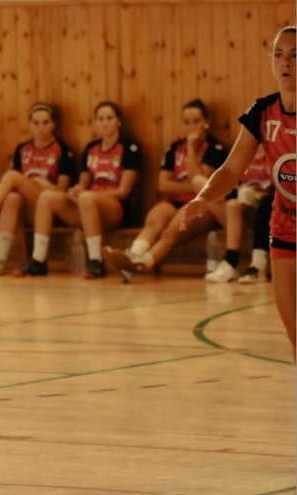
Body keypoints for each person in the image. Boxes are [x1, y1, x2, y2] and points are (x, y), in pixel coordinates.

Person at [182, 26, 296, 357]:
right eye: (279, 55)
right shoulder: (262, 112)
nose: (286, 63)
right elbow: (232, 169)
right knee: (294, 335)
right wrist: (203, 197)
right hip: (285, 231)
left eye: (295, 55)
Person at [102, 100, 229, 280]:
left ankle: (143, 263)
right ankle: (132, 255)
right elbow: (163, 185)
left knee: (172, 229)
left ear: (206, 122)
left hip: (203, 205)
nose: (191, 127)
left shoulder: (216, 149)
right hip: (175, 199)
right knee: (155, 218)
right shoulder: (175, 148)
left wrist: (191, 150)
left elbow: (199, 182)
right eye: (186, 122)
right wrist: (187, 186)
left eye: (196, 121)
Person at [21, 102, 141, 278]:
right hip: (88, 204)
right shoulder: (91, 149)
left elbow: (123, 191)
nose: (105, 123)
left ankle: (96, 262)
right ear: (95, 122)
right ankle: (38, 260)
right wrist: (75, 191)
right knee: (48, 197)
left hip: (114, 208)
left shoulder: (130, 148)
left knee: (86, 198)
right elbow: (83, 185)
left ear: (118, 121)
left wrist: (88, 194)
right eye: (100, 119)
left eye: (109, 118)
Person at [0, 103, 76, 276]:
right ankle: (1, 261)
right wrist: (30, 182)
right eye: (36, 123)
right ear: (29, 125)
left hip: (51, 205)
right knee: (11, 198)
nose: (40, 128)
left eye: (45, 123)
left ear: (53, 124)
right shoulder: (23, 149)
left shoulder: (62, 150)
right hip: (27, 206)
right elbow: (16, 186)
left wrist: (41, 183)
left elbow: (62, 191)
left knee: (12, 176)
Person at [211, 148, 273, 283]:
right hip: (246, 201)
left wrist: (258, 195)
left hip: (268, 201)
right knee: (233, 204)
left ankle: (259, 265)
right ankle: (230, 263)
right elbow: (231, 181)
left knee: (266, 202)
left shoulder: (274, 149)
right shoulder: (244, 151)